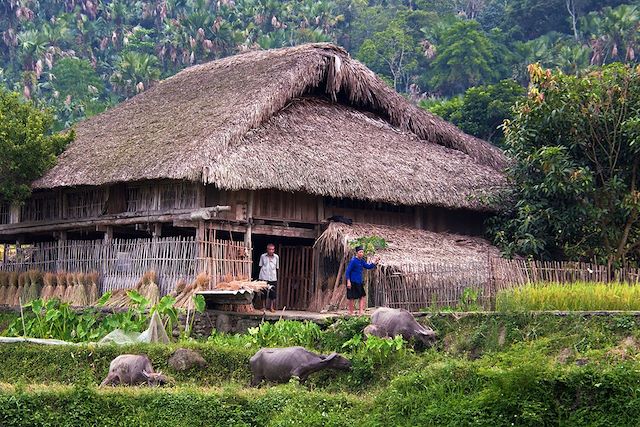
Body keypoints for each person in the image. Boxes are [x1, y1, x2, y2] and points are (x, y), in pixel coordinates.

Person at [345, 245, 379, 315]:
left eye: (362, 252)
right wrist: (348, 281)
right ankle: (351, 312)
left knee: (362, 296)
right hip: (352, 281)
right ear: (357, 253)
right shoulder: (353, 261)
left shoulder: (362, 261)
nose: (361, 253)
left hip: (359, 282)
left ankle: (361, 311)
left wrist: (374, 262)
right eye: (360, 252)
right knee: (351, 297)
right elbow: (347, 271)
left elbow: (368, 266)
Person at [259, 243, 279, 313]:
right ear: (267, 250)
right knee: (263, 292)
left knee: (272, 293)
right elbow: (261, 265)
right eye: (270, 249)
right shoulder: (263, 256)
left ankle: (271, 307)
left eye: (272, 249)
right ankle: (263, 307)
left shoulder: (276, 257)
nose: (271, 251)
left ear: (274, 250)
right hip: (264, 276)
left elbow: (277, 267)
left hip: (273, 277)